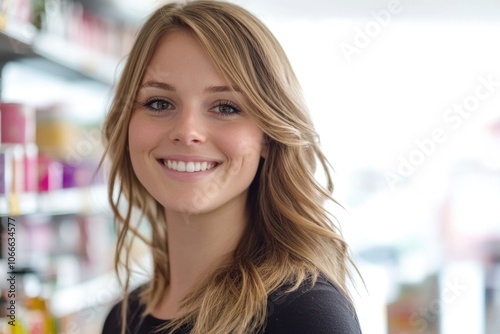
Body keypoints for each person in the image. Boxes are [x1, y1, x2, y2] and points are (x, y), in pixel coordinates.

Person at [101, 1, 362, 333]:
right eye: (159, 102)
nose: (186, 131)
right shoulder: (123, 318)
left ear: (268, 136)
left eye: (225, 107)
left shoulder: (307, 316)